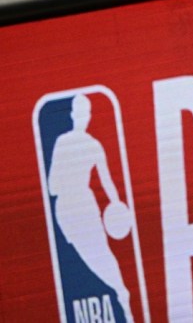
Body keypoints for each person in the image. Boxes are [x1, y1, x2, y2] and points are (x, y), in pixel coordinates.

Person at [48, 94, 135, 323]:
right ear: (83, 115)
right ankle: (121, 292)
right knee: (95, 257)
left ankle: (121, 293)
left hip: (73, 206)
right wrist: (115, 203)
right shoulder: (89, 145)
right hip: (74, 207)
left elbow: (53, 186)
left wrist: (117, 207)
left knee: (98, 255)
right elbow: (105, 183)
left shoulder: (70, 143)